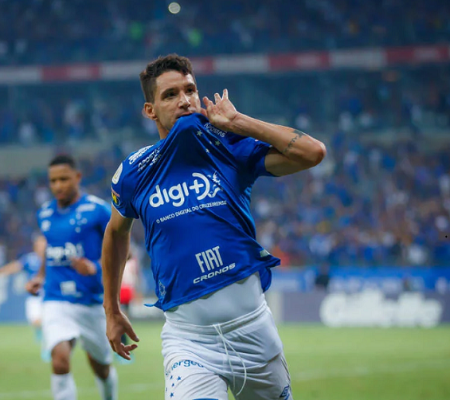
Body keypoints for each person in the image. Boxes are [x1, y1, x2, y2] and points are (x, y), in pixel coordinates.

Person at [102, 54, 326, 400]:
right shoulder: (135, 172)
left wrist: (240, 122)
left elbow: (313, 153)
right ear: (150, 110)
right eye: (170, 95)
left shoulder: (229, 146)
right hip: (189, 342)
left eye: (190, 90)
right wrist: (112, 309)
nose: (184, 100)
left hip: (254, 333)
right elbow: (116, 232)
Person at [26, 154, 118, 400]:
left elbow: (123, 251)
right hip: (55, 298)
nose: (58, 186)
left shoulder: (98, 210)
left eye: (64, 179)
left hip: (91, 301)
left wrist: (95, 267)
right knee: (59, 359)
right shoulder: (45, 213)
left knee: (101, 367)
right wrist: (40, 276)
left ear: (77, 177)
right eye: (53, 181)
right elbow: (50, 249)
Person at [0, 235, 46, 346]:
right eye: (39, 244)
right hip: (34, 297)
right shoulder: (30, 259)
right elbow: (16, 266)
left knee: (47, 321)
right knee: (35, 321)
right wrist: (2, 271)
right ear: (35, 245)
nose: (41, 246)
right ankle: (42, 335)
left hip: (49, 297)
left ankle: (46, 341)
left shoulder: (52, 260)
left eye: (43, 244)